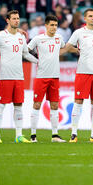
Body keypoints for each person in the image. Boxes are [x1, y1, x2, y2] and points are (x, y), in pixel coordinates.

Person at [0, 10, 38, 144]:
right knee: (1, 105)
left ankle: (18, 135)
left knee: (18, 105)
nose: (17, 21)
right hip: (4, 77)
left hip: (19, 77)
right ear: (8, 20)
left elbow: (26, 54)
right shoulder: (0, 36)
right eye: (14, 18)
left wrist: (38, 62)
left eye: (18, 18)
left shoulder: (21, 37)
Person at [63, 8, 93, 143]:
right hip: (83, 72)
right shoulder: (79, 32)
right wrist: (78, 51)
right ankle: (73, 133)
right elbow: (67, 46)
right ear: (85, 18)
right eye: (90, 16)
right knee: (79, 101)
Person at [28, 14, 69, 143]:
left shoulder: (59, 38)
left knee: (55, 105)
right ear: (46, 26)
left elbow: (63, 48)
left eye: (56, 25)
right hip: (41, 77)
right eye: (51, 25)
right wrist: (36, 61)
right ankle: (33, 135)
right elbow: (26, 50)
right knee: (37, 104)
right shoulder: (38, 39)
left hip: (55, 77)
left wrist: (78, 50)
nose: (54, 27)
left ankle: (55, 135)